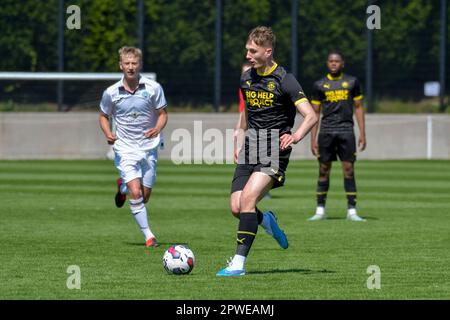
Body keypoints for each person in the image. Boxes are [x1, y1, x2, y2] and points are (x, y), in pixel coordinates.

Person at [217, 26, 318, 276]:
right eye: (247, 50)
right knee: (236, 207)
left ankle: (238, 264)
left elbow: (311, 115)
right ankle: (267, 221)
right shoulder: (246, 78)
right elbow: (247, 111)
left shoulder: (285, 79)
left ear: (268, 51)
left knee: (249, 200)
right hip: (251, 145)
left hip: (274, 148)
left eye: (253, 50)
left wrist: (295, 136)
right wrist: (240, 139)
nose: (248, 55)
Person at [99, 46, 168, 247]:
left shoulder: (154, 88)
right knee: (136, 193)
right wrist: (108, 133)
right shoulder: (111, 93)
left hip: (149, 147)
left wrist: (156, 128)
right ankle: (149, 236)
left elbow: (163, 113)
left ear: (140, 65)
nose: (130, 67)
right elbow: (103, 116)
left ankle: (122, 186)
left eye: (134, 63)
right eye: (127, 63)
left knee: (144, 197)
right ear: (121, 65)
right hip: (125, 148)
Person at [308, 51, 366, 222]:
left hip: (346, 131)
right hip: (326, 132)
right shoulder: (319, 84)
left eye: (337, 61)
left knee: (349, 170)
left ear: (343, 63)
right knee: (323, 170)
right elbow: (315, 113)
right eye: (331, 61)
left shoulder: (352, 82)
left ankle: (352, 211)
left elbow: (358, 107)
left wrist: (362, 133)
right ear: (327, 63)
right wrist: (313, 138)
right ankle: (320, 210)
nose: (333, 64)